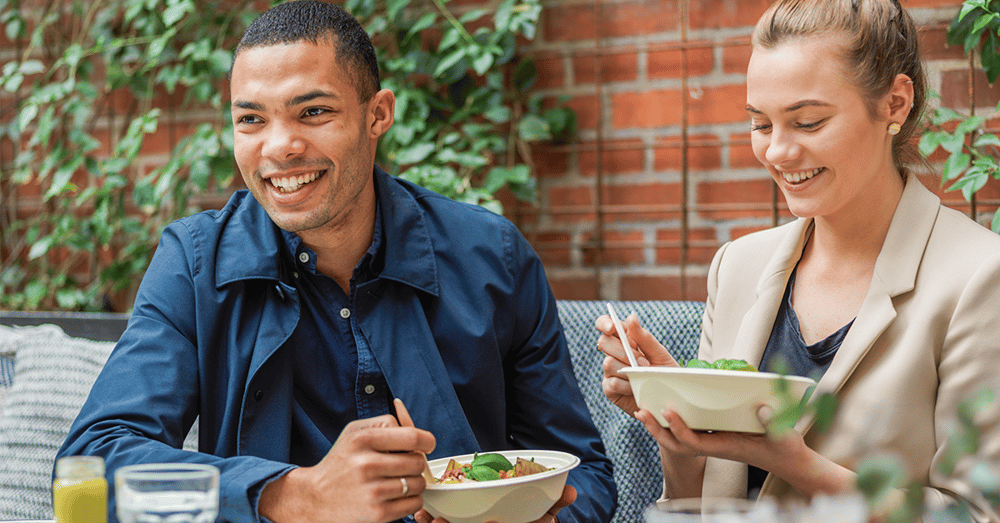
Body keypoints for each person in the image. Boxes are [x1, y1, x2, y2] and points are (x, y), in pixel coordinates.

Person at [56, 2, 616, 522]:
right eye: (251, 120)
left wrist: (541, 516)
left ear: (378, 115)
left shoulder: (494, 257)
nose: (279, 146)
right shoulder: (195, 263)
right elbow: (91, 463)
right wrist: (294, 493)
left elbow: (583, 473)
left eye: (313, 111)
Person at [595, 0, 1000, 520]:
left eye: (807, 123)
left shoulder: (979, 277)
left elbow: (976, 514)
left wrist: (797, 463)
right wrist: (679, 419)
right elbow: (704, 503)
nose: (778, 152)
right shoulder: (737, 265)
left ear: (895, 105)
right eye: (761, 125)